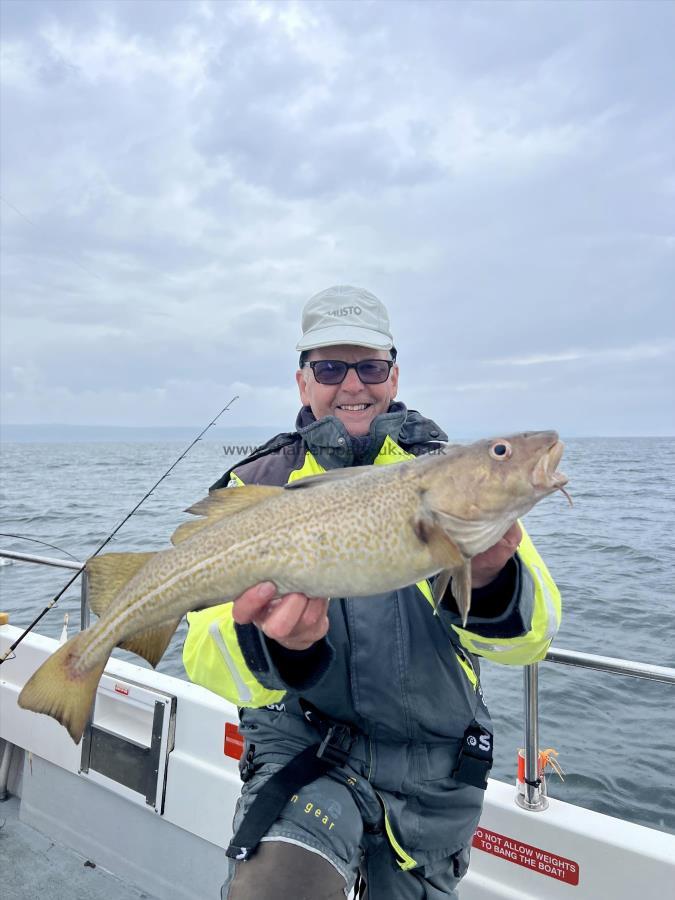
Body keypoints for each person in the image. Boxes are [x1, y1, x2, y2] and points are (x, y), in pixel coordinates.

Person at [183, 286, 561, 900]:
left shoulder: (448, 473)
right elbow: (202, 651)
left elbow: (532, 640)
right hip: (302, 754)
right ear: (303, 382)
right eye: (330, 368)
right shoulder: (256, 484)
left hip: (433, 773)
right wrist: (284, 649)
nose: (352, 385)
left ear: (394, 375)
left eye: (370, 366)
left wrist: (489, 579)